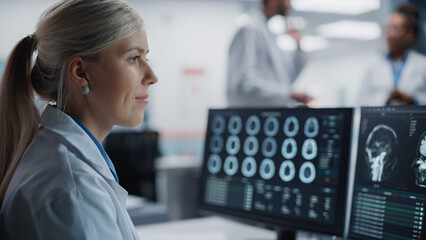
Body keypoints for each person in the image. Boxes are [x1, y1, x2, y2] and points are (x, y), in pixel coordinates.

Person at [0, 0, 157, 239]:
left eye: (146, 57)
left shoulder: (57, 161)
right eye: (133, 58)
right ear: (80, 73)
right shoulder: (74, 191)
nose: (152, 76)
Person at [226, 0, 312, 107]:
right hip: (252, 114)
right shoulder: (249, 30)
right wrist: (288, 95)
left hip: (267, 113)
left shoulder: (270, 35)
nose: (289, 5)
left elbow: (287, 78)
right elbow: (244, 84)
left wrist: (298, 45)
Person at [358, 3, 426, 106]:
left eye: (394, 29)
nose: (388, 35)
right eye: (387, 29)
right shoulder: (374, 67)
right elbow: (361, 103)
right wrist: (386, 100)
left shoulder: (423, 65)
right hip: (381, 121)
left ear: (410, 35)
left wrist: (413, 100)